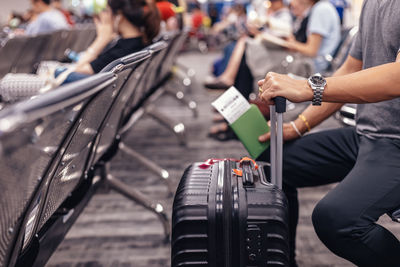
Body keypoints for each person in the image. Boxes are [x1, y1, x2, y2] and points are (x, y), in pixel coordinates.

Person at [257, 0, 400, 266]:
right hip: (366, 135)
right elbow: (350, 70)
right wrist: (298, 126)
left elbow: (397, 77)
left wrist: (309, 87)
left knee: (337, 219)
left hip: (396, 144)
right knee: (271, 165)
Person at [205, 0, 340, 90]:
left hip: (309, 65)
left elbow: (311, 51)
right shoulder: (318, 9)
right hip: (304, 59)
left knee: (249, 52)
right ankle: (237, 115)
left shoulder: (321, 10)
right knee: (250, 50)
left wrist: (289, 43)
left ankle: (238, 115)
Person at [74, 0, 160, 75]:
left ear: (119, 16)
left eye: (107, 11)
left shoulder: (121, 52)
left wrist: (101, 39)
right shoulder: (142, 41)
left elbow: (76, 71)